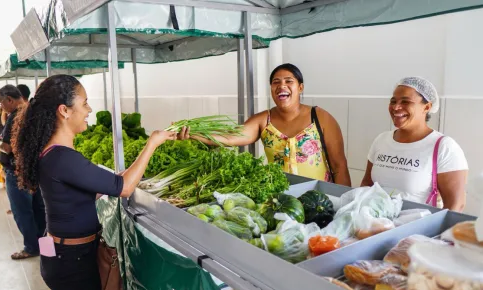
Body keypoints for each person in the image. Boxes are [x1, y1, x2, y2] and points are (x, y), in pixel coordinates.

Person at [11, 75, 177, 290]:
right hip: (70, 259)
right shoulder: (63, 158)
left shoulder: (53, 153)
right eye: (85, 103)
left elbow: (92, 188)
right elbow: (124, 188)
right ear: (64, 111)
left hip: (57, 250)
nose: (89, 110)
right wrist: (152, 143)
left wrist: (116, 178)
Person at [179, 63, 351, 186]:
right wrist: (193, 134)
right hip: (280, 196)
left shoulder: (320, 117)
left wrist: (345, 203)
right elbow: (231, 137)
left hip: (320, 198)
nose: (281, 85)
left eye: (288, 81)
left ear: (300, 87)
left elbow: (339, 166)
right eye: (276, 82)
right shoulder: (263, 120)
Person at [361, 77, 468, 211]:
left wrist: (439, 232)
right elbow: (367, 185)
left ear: (427, 107)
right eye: (393, 101)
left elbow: (455, 205)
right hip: (376, 226)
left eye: (405, 101)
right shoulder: (381, 140)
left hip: (417, 229)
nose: (396, 107)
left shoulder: (444, 147)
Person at [0, 85, 46, 259]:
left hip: (17, 171)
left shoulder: (15, 116)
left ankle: (31, 248)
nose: (1, 106)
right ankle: (46, 248)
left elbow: (7, 147)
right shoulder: (34, 112)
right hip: (35, 169)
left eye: (1, 102)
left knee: (23, 212)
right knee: (40, 210)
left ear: (9, 99)